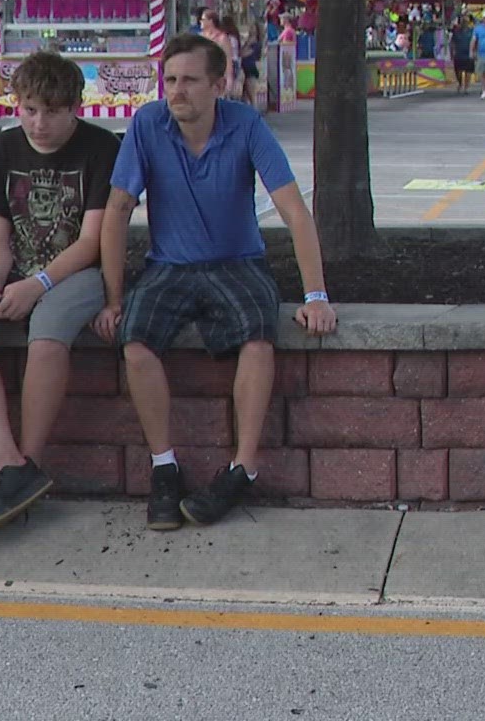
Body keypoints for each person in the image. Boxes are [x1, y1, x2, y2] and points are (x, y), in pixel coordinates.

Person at [94, 34, 337, 531]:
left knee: (258, 337)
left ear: (219, 84)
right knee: (134, 341)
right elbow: (118, 211)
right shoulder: (147, 125)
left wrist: (316, 296)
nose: (176, 91)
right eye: (170, 80)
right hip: (169, 265)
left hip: (238, 261)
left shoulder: (245, 124)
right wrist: (113, 297)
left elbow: (293, 209)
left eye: (189, 81)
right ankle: (164, 467)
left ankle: (242, 467)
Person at [0, 51, 121, 535]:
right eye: (30, 110)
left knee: (47, 332)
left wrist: (38, 284)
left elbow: (92, 242)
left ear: (75, 107)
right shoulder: (1, 151)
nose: (39, 123)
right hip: (14, 269)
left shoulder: (102, 148)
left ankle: (30, 460)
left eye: (52, 111)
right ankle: (9, 467)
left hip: (75, 272)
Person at [450, 16, 474, 96]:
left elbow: (475, 41)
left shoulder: (471, 31)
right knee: (458, 71)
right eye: (463, 22)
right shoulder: (456, 32)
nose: (464, 24)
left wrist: (474, 52)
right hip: (459, 54)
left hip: (469, 54)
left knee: (468, 72)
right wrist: (452, 53)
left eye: (466, 22)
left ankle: (466, 88)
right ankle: (460, 83)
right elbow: (452, 43)